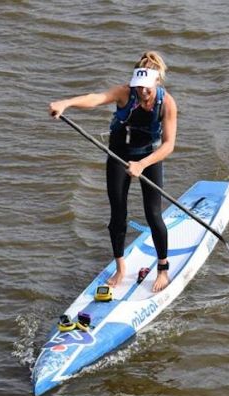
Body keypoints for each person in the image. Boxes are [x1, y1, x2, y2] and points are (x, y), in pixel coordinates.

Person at [49, 51, 178, 292]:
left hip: (149, 157)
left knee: (153, 214)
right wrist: (65, 103)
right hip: (119, 155)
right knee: (118, 214)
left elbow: (169, 145)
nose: (143, 93)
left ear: (157, 82)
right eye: (139, 87)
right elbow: (95, 98)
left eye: (148, 87)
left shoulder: (167, 103)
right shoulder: (124, 93)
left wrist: (142, 164)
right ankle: (120, 267)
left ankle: (163, 269)